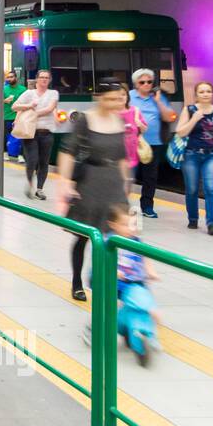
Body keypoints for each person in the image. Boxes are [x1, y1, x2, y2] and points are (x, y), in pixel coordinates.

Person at [57, 82, 130, 301]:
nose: (117, 103)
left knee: (120, 236)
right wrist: (65, 183)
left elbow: (122, 157)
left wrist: (127, 184)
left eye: (119, 98)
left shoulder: (120, 121)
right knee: (84, 236)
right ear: (99, 97)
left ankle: (113, 281)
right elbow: (68, 152)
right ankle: (77, 282)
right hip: (90, 181)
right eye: (111, 98)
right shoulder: (85, 120)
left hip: (114, 182)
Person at [101, 204, 163, 366]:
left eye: (133, 224)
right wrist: (113, 270)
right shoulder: (109, 241)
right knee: (109, 309)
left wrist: (151, 271)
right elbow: (103, 261)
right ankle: (94, 327)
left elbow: (145, 257)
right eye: (125, 224)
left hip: (135, 283)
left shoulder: (136, 241)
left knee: (147, 307)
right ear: (113, 225)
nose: (131, 229)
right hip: (116, 284)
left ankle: (151, 335)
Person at [174, 81, 213, 235]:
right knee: (191, 189)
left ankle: (212, 223)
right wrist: (194, 119)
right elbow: (180, 132)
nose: (205, 94)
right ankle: (193, 219)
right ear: (196, 95)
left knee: (211, 188)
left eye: (208, 91)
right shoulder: (189, 110)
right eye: (202, 92)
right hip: (191, 154)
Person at [129, 68, 177, 218]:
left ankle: (147, 206)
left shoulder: (158, 97)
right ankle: (123, 204)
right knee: (129, 174)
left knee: (150, 176)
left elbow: (169, 118)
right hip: (132, 141)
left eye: (149, 81)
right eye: (142, 82)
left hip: (154, 143)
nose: (146, 84)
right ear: (136, 84)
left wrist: (158, 102)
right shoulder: (129, 97)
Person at [12, 70, 59, 200]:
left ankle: (40, 189)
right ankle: (29, 183)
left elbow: (50, 109)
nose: (44, 80)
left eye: (46, 78)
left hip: (47, 133)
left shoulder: (53, 93)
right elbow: (15, 107)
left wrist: (32, 113)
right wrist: (29, 106)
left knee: (44, 162)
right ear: (37, 79)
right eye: (42, 77)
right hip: (30, 133)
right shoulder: (28, 93)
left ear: (49, 80)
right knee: (32, 160)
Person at [3, 69, 26, 158]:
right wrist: (4, 101)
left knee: (20, 136)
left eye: (11, 77)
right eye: (8, 77)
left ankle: (20, 155)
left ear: (16, 78)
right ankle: (5, 153)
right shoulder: (4, 89)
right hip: (6, 116)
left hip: (19, 116)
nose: (9, 79)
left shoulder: (23, 89)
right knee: (5, 137)